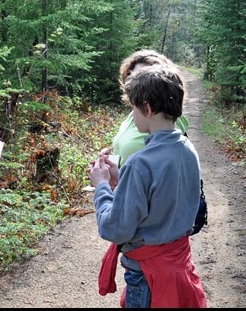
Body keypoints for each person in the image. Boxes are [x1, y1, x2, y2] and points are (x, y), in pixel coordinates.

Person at [88, 64, 207, 308]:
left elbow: (114, 229)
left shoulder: (141, 162)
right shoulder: (187, 149)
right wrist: (120, 179)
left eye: (133, 108)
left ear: (147, 108)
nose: (132, 115)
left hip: (147, 277)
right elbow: (159, 198)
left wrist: (101, 186)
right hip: (177, 264)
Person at [100, 49, 189, 171]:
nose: (138, 81)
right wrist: (112, 165)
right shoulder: (133, 116)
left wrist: (103, 184)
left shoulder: (166, 120)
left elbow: (161, 174)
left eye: (146, 75)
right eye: (133, 75)